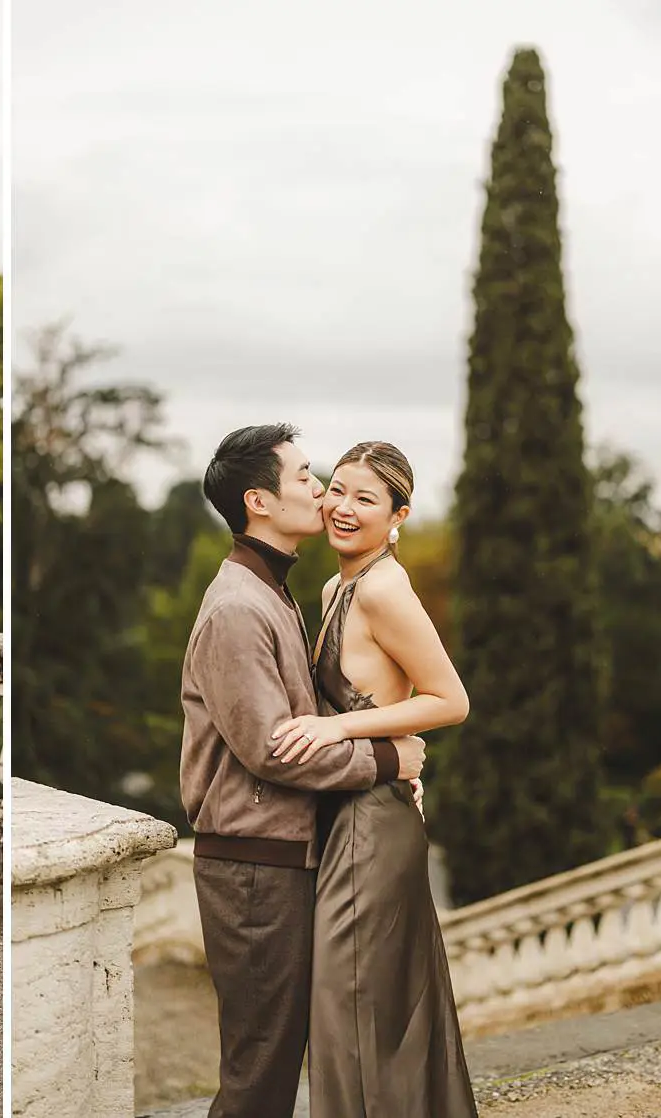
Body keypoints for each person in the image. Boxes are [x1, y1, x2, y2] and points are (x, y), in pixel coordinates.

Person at [180, 425, 427, 1117]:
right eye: (306, 477)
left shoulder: (277, 591)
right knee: (260, 1075)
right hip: (253, 867)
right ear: (259, 501)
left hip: (280, 857)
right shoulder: (238, 606)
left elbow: (311, 717)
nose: (321, 493)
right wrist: (391, 758)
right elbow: (273, 749)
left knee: (276, 1062)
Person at [269, 441, 478, 1116]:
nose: (343, 507)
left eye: (366, 498)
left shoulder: (385, 589)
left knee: (350, 1009)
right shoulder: (337, 587)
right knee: (361, 1015)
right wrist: (390, 744)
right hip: (349, 812)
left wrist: (341, 730)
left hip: (372, 828)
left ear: (398, 517)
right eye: (337, 489)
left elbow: (451, 700)